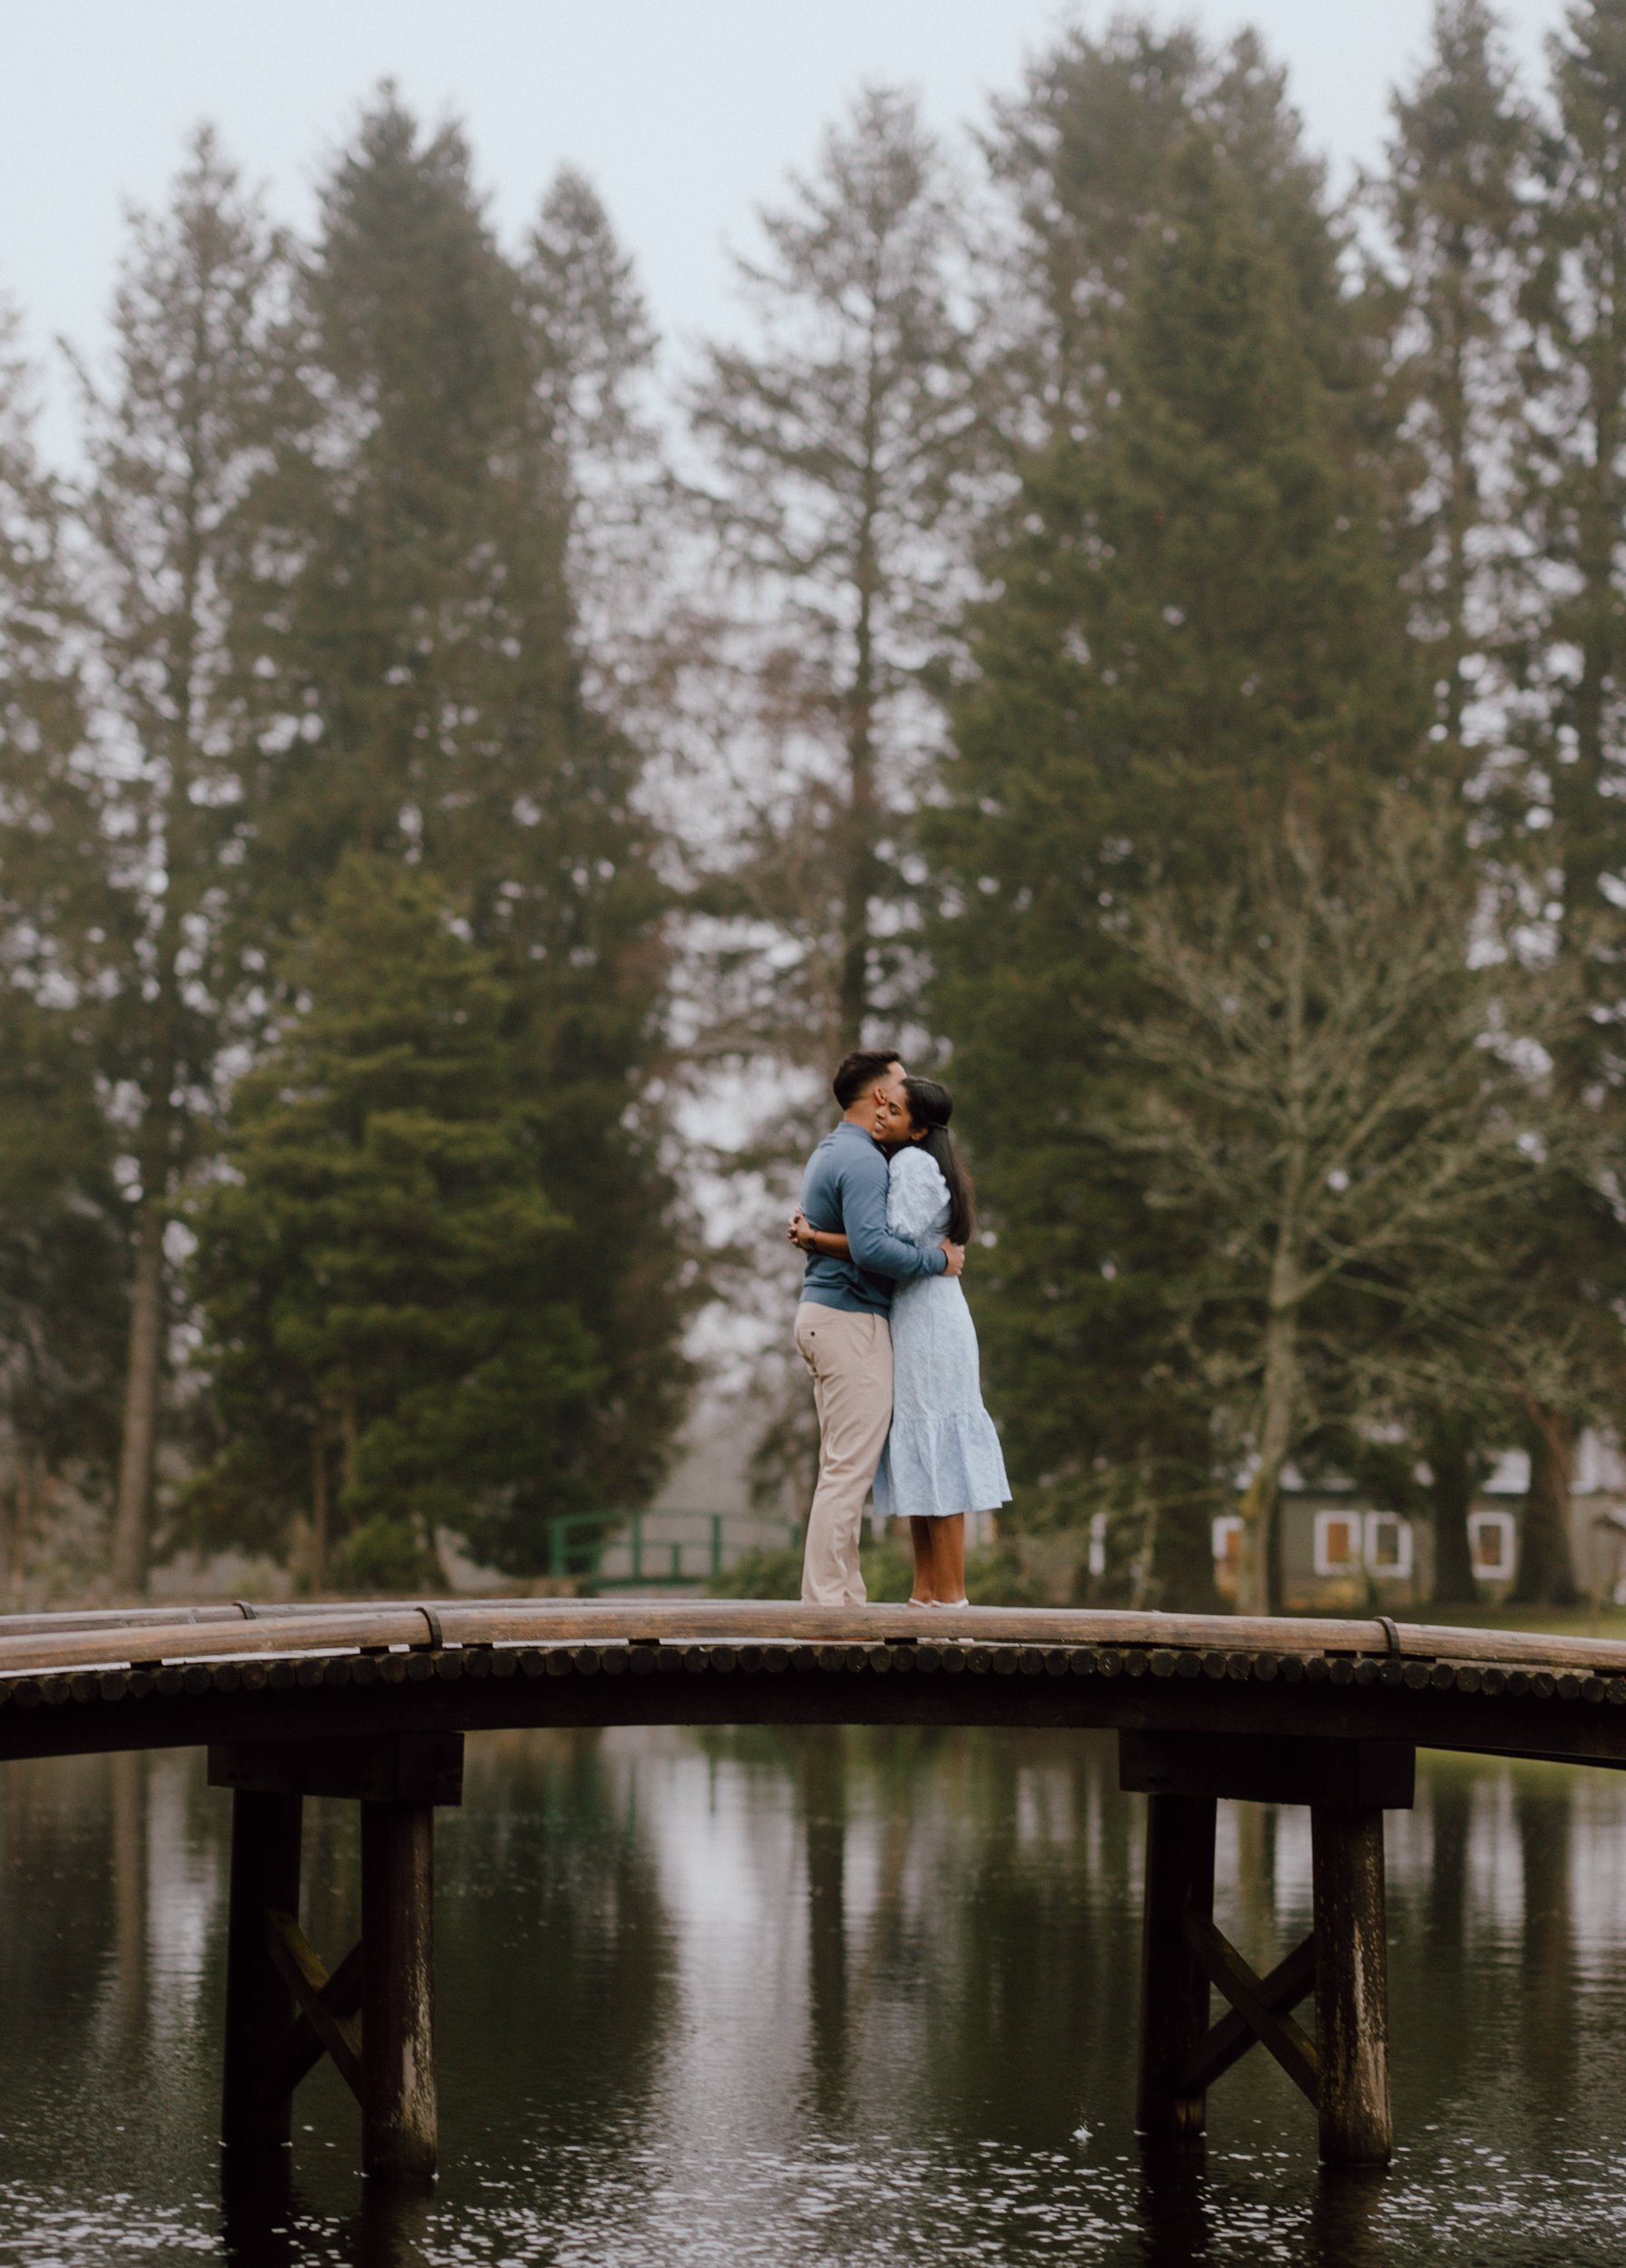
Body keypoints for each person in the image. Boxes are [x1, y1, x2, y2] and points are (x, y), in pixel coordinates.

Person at [790, 1076, 1008, 1606]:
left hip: (930, 1323)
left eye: (896, 1110)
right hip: (915, 1316)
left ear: (918, 1129)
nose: (882, 1113)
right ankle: (925, 1595)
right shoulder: (911, 1161)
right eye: (883, 1104)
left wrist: (815, 1237)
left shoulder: (911, 1166)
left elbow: (881, 1246)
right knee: (919, 1447)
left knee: (937, 1447)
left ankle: (950, 1600)